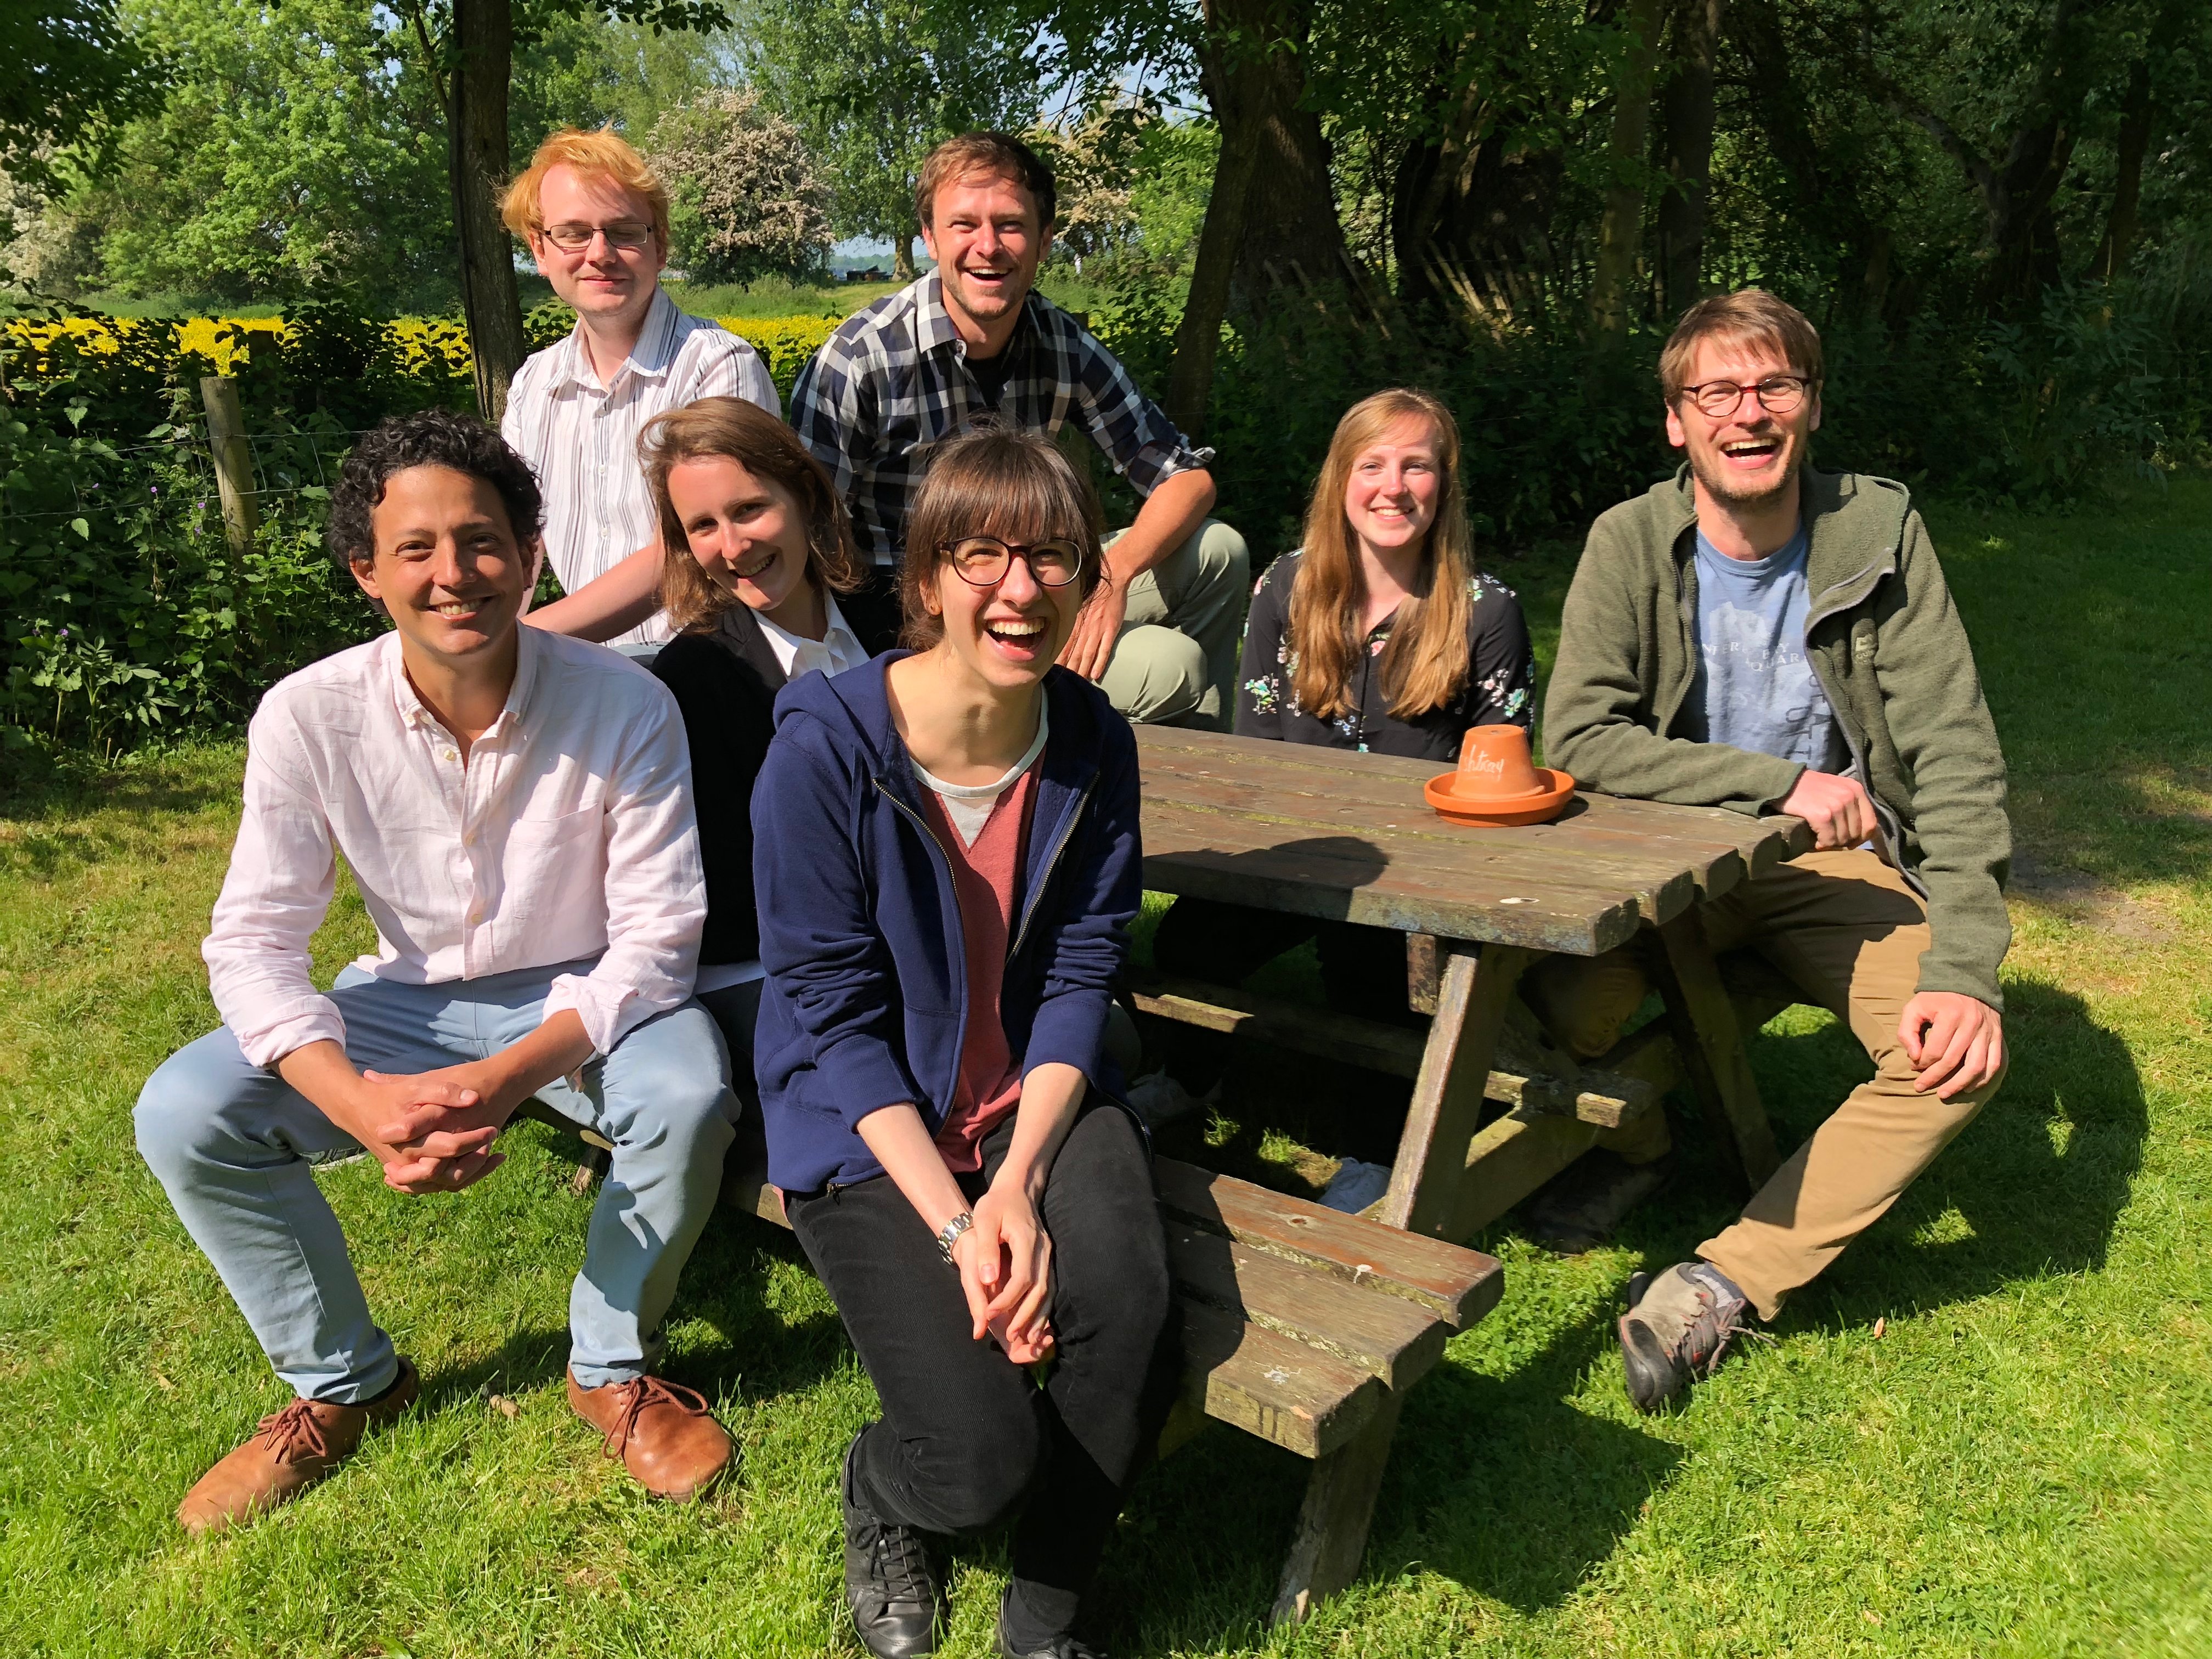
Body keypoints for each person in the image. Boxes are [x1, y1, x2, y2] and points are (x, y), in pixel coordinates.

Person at [133, 411, 740, 1535]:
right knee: (183, 1110)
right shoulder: (307, 717)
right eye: (415, 549)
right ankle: (344, 1384)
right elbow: (255, 940)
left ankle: (610, 1370)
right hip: (403, 1000)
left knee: (687, 1092)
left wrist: (511, 1077)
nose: (454, 574)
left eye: (482, 541)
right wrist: (358, 1104)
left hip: (585, 997)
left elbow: (659, 941)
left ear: (532, 554)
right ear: (365, 569)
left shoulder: (627, 705)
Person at [1539, 289, 2011, 1412]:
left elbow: (1955, 752)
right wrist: (1777, 785)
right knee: (1562, 1021)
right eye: (1717, 393)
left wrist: (1969, 968)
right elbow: (1583, 736)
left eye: (1774, 387)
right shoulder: (1627, 541)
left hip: (1825, 867)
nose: (1747, 415)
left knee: (1950, 1055)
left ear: (1809, 405)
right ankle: (1639, 1137)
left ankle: (1718, 1284)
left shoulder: (1878, 534)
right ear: (1677, 422)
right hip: (1661, 860)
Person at [751, 429, 1175, 1659]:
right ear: (926, 580)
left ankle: (1045, 1614)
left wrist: (1025, 1185)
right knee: (978, 1461)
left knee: (1131, 1317)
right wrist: (960, 1223)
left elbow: (1085, 968)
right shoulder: (825, 749)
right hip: (867, 1123)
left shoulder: (1094, 743)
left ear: (1088, 579)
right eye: (981, 554)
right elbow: (828, 1011)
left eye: (1052, 557)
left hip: (1029, 1097)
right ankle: (884, 1491)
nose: (1020, 588)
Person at [1151, 390, 1536, 1115]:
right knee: (1187, 942)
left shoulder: (1490, 613)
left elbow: (1502, 781)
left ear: (1445, 486)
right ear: (1340, 482)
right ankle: (1192, 1080)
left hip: (1420, 872)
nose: (1393, 487)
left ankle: (1374, 1141)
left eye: (1416, 467)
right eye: (1373, 465)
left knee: (1372, 969)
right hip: (1299, 847)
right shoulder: (1283, 589)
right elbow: (1255, 753)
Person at [788, 131, 1250, 730]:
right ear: (929, 238)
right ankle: (1076, 755)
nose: (988, 247)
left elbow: (1186, 478)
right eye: (964, 225)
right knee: (1171, 666)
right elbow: (801, 534)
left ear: (1043, 242)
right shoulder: (864, 359)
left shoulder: (1060, 343)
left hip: (1035, 575)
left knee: (1220, 552)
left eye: (1010, 225)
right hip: (915, 617)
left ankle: (1202, 773)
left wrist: (1112, 579)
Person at [640, 396, 902, 1076]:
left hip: (908, 935)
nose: (734, 547)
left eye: (750, 509)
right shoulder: (692, 681)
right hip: (769, 967)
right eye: (703, 526)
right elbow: (731, 896)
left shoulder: (896, 620)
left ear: (807, 498)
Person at [497, 126, 779, 653]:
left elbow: (696, 547)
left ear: (661, 245)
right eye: (574, 233)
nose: (599, 254)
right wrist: (488, 655)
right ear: (539, 249)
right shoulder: (533, 384)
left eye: (624, 232)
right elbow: (520, 539)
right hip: (583, 669)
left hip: (709, 665)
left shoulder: (718, 366)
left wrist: (523, 638)